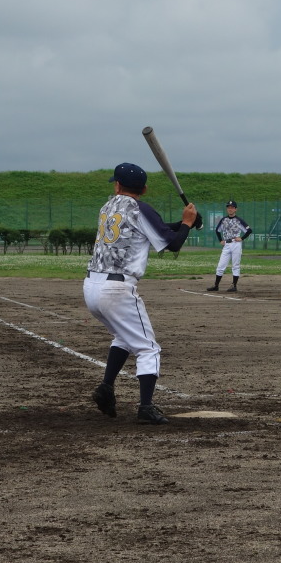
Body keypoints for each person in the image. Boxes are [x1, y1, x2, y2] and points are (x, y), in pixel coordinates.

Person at [85, 162, 198, 425]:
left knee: (124, 337)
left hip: (91, 285)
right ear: (144, 189)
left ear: (117, 186)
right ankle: (146, 407)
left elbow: (153, 229)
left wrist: (186, 224)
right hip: (116, 290)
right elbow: (173, 244)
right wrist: (186, 224)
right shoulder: (140, 208)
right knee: (148, 348)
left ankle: (106, 388)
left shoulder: (108, 206)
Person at [207, 200, 252, 293]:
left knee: (235, 265)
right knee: (220, 266)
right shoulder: (224, 220)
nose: (230, 209)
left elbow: (249, 230)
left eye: (232, 207)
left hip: (236, 244)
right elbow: (217, 230)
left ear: (235, 209)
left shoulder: (239, 220)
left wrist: (242, 238)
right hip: (227, 244)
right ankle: (216, 285)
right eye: (228, 207)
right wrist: (220, 240)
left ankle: (234, 286)